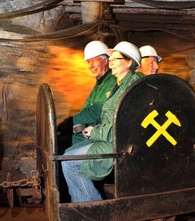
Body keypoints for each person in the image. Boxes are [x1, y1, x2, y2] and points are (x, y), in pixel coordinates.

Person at [61, 41, 142, 202]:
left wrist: (94, 131)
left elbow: (124, 128)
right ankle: (85, 202)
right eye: (110, 58)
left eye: (115, 59)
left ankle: (90, 205)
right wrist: (92, 129)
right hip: (108, 139)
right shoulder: (117, 87)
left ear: (129, 62)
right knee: (66, 155)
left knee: (70, 161)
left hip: (117, 144)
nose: (110, 61)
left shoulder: (131, 89)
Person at [67, 41, 117, 147]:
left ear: (106, 60)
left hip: (104, 133)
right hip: (93, 130)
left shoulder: (112, 81)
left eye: (93, 61)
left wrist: (70, 121)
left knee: (66, 147)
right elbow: (87, 108)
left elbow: (97, 110)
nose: (90, 66)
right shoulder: (100, 84)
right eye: (88, 62)